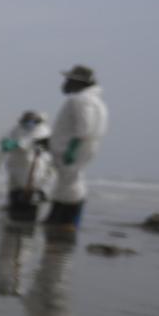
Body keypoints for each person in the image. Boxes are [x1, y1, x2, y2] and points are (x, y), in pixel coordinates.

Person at [45, 64, 108, 229]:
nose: (65, 83)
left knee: (71, 183)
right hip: (80, 147)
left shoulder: (80, 100)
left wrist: (72, 148)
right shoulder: (96, 101)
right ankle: (61, 217)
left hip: (72, 148)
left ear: (77, 82)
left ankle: (67, 220)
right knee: (68, 182)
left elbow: (84, 128)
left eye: (68, 80)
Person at [0, 110, 52, 223]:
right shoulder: (17, 128)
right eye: (27, 119)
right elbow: (6, 136)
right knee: (14, 192)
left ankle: (28, 220)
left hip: (33, 168)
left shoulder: (43, 130)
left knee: (31, 194)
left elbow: (31, 142)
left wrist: (17, 144)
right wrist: (4, 141)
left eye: (31, 120)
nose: (29, 122)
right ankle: (14, 217)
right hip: (15, 166)